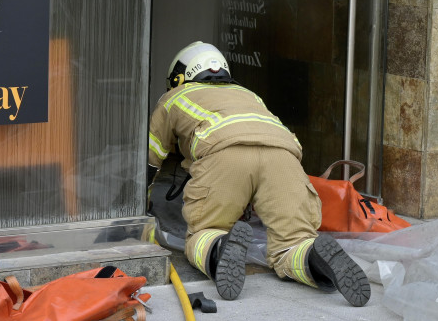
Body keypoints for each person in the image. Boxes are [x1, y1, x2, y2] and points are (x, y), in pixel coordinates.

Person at [148, 41, 370, 306]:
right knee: (293, 241)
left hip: (224, 155)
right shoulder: (249, 94)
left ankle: (219, 248)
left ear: (179, 76)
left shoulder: (175, 96)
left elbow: (153, 155)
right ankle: (314, 258)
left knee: (204, 231)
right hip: (283, 156)